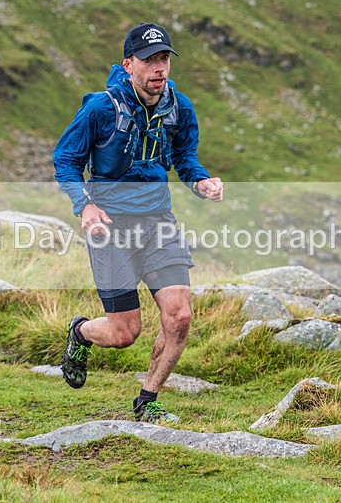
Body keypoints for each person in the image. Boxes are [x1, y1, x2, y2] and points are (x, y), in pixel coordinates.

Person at [53, 22, 223, 423]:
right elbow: (66, 160)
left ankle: (148, 400)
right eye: (149, 60)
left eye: (163, 58)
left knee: (179, 316)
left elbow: (185, 157)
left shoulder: (179, 107)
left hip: (158, 222)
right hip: (111, 226)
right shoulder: (100, 108)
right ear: (129, 64)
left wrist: (201, 181)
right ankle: (80, 333)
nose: (158, 68)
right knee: (124, 333)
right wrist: (84, 206)